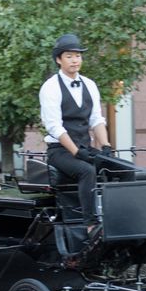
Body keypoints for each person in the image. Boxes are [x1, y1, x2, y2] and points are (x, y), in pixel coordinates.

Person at [39, 33, 114, 235]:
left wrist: (106, 146)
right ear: (59, 59)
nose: (75, 60)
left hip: (84, 147)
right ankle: (90, 224)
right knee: (86, 171)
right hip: (60, 151)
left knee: (121, 168)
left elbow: (96, 119)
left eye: (78, 56)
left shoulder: (89, 84)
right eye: (69, 56)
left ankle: (120, 217)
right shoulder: (50, 87)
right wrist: (76, 152)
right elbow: (54, 127)